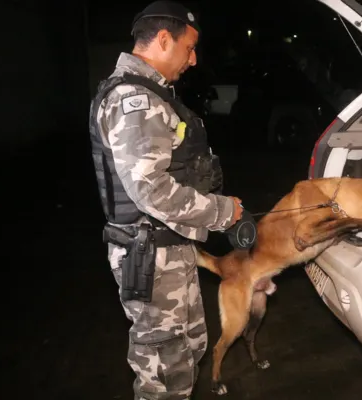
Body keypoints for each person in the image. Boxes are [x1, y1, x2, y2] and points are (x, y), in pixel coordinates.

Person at [87, 1, 243, 399]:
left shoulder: (154, 95)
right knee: (163, 375)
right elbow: (150, 190)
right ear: (161, 39)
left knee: (187, 352)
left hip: (170, 248)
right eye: (189, 48)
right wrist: (222, 212)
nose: (193, 60)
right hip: (150, 256)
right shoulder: (133, 100)